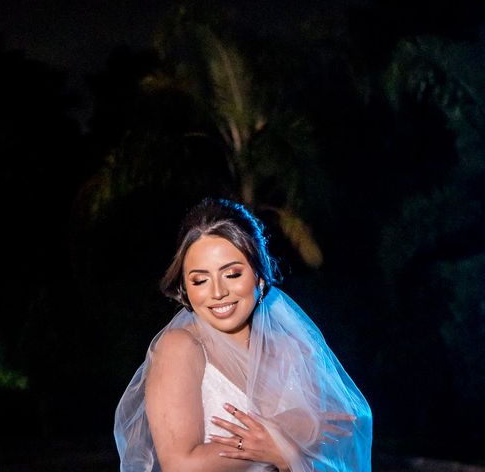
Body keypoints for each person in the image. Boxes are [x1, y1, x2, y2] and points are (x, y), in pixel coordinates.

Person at [114, 198, 372, 471]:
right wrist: (279, 437)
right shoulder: (181, 347)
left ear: (259, 276)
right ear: (185, 287)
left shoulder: (293, 350)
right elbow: (180, 465)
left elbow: (335, 441)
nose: (217, 292)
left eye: (232, 274)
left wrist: (287, 456)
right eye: (200, 280)